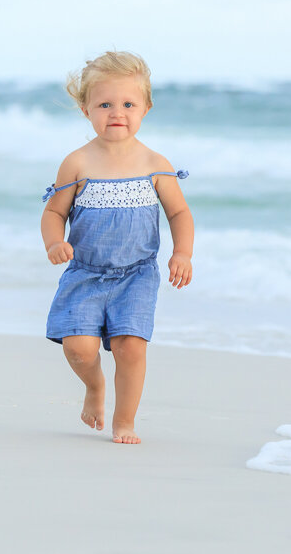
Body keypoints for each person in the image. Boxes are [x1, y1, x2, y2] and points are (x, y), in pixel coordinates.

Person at [41, 51, 194, 444]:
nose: (117, 113)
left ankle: (124, 421)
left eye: (128, 104)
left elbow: (178, 213)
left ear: (146, 108)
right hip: (86, 272)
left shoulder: (155, 164)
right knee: (79, 349)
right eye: (105, 104)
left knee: (130, 348)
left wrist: (182, 253)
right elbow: (54, 211)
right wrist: (54, 241)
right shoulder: (76, 163)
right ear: (85, 109)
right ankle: (94, 387)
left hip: (137, 274)